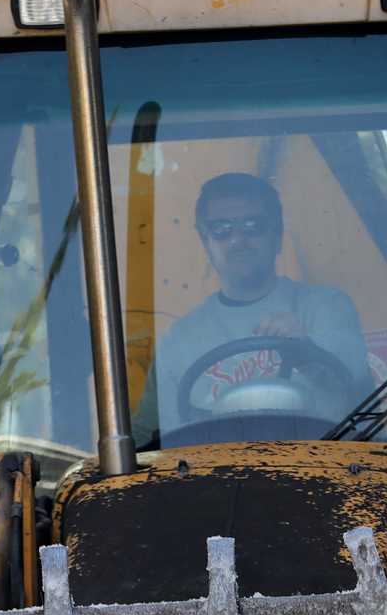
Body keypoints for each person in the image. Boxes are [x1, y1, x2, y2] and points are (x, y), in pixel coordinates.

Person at [143, 172, 369, 438]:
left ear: (278, 234)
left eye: (253, 226)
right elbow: (162, 443)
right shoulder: (177, 342)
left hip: (329, 470)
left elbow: (359, 380)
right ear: (205, 241)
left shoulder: (326, 307)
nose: (238, 240)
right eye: (222, 229)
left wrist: (307, 346)